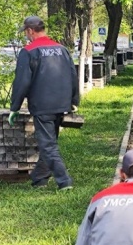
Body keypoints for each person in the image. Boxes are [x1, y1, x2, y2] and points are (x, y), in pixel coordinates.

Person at [9, 16, 80, 190]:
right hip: (62, 104)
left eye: (26, 32)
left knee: (48, 145)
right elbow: (73, 75)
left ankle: (64, 181)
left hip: (42, 105)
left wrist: (14, 107)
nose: (26, 36)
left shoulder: (29, 51)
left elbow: (22, 82)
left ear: (30, 31)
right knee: (50, 141)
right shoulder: (61, 49)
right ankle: (39, 178)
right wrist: (74, 100)